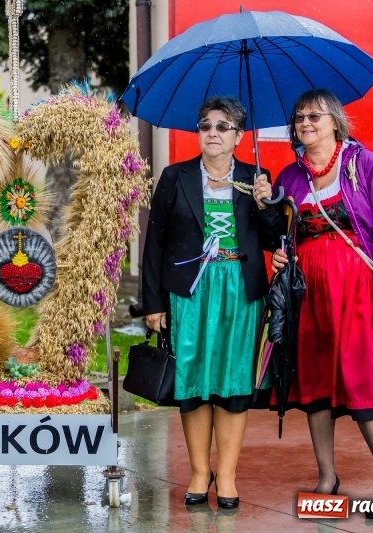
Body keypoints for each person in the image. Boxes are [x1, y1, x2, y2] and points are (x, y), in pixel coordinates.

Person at [271, 88, 373, 519]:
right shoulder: (288, 178)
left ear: (336, 122)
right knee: (313, 384)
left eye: (315, 116)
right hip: (307, 294)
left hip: (356, 293)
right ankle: (327, 480)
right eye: (299, 118)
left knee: (362, 378)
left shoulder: (363, 164)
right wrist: (277, 244)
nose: (306, 124)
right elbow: (280, 236)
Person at [142, 95, 278, 510]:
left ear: (239, 135)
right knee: (194, 384)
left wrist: (265, 206)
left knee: (234, 383)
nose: (213, 133)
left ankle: (230, 477)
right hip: (190, 292)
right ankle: (201, 471)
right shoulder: (175, 177)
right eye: (205, 126)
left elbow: (273, 242)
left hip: (240, 289)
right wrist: (153, 302)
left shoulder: (257, 178)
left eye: (223, 126)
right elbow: (155, 244)